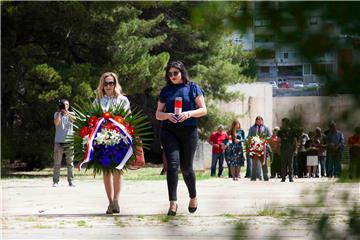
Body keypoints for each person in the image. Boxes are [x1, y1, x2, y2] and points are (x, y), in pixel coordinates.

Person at [155, 61, 207, 216]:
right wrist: (168, 115)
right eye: (169, 74)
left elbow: (203, 110)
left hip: (189, 131)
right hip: (169, 131)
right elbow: (158, 114)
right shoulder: (166, 90)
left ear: (182, 73)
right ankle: (173, 203)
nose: (172, 77)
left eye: (175, 73)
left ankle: (193, 196)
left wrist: (188, 113)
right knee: (172, 166)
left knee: (186, 168)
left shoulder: (192, 87)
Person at [94, 72, 131, 214]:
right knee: (106, 172)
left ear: (115, 84)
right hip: (102, 141)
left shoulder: (123, 100)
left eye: (111, 83)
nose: (109, 86)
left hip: (119, 140)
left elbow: (128, 118)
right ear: (102, 85)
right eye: (106, 83)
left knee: (117, 170)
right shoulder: (98, 101)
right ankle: (110, 203)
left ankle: (116, 200)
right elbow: (92, 119)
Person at [53, 99, 75, 187]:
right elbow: (57, 123)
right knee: (57, 163)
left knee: (70, 163)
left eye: (66, 105)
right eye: (63, 105)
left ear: (68, 106)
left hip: (69, 141)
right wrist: (59, 112)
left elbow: (74, 120)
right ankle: (56, 181)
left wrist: (67, 112)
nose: (65, 106)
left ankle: (71, 181)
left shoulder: (72, 114)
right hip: (58, 141)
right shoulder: (56, 114)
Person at [247, 116, 271, 181]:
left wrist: (264, 140)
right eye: (258, 120)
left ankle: (266, 177)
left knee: (264, 163)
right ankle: (253, 178)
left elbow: (269, 136)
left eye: (260, 120)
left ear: (262, 121)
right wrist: (252, 140)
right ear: (256, 121)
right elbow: (248, 136)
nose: (259, 121)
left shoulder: (266, 128)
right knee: (254, 164)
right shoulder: (252, 128)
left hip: (263, 147)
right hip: (255, 148)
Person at [277, 118, 297, 182]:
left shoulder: (292, 131)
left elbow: (295, 141)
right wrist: (278, 149)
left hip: (290, 150)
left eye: (284, 123)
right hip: (283, 149)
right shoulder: (280, 132)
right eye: (282, 123)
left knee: (290, 165)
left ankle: (291, 178)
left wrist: (295, 149)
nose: (283, 124)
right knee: (283, 164)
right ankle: (283, 178)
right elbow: (279, 141)